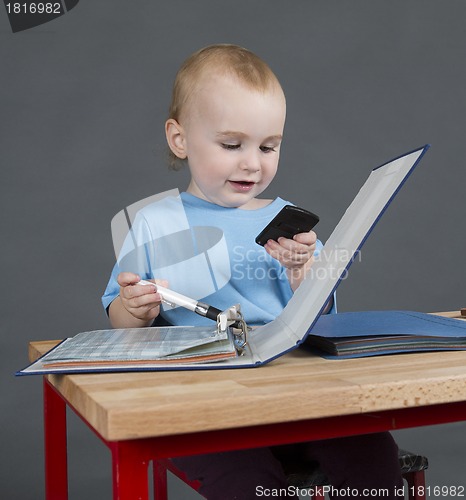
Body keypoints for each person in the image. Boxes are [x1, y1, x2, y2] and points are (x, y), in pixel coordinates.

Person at [102, 44, 404, 499]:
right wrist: (135, 308)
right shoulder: (154, 222)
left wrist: (305, 274)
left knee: (372, 455)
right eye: (231, 145)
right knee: (247, 481)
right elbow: (118, 320)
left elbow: (321, 317)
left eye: (268, 147)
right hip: (207, 404)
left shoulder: (291, 226)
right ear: (179, 139)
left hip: (298, 395)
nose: (252, 162)